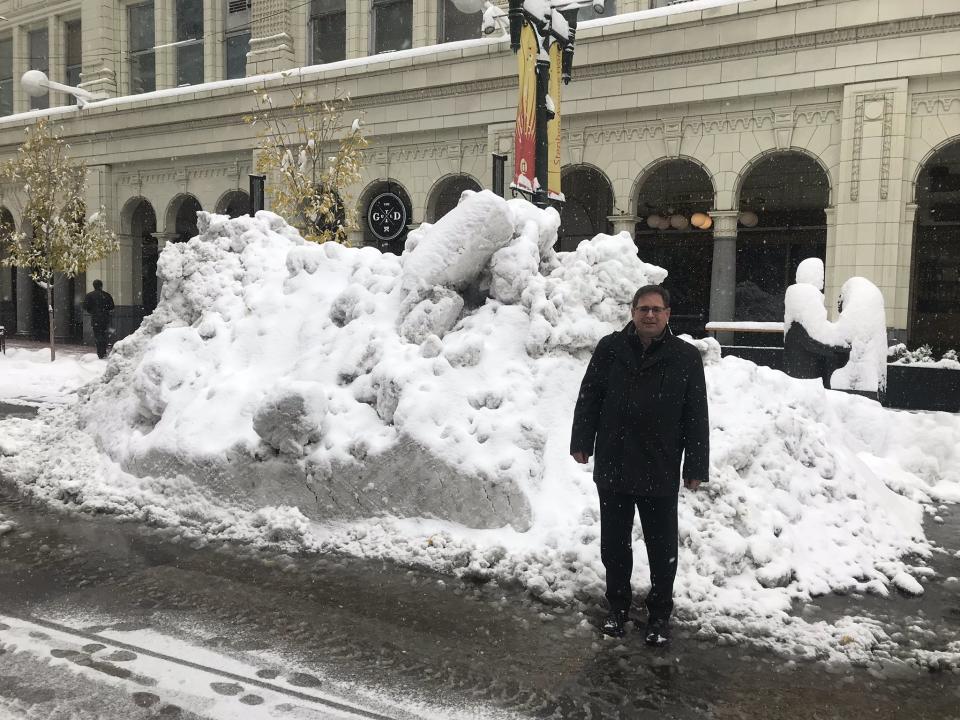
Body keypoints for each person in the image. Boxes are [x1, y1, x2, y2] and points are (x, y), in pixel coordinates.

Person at [570, 284, 709, 646]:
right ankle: (617, 607)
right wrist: (581, 441)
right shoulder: (610, 349)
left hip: (659, 465)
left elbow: (696, 415)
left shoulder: (685, 356)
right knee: (614, 545)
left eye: (656, 309)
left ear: (668, 315)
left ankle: (659, 614)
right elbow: (589, 397)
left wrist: (695, 464)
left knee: (662, 547)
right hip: (614, 463)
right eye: (643, 308)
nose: (650, 315)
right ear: (632, 312)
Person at [783, 258, 849, 389]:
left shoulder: (795, 293)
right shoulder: (807, 294)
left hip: (797, 360)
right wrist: (837, 348)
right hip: (805, 368)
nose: (822, 281)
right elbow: (813, 336)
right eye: (820, 276)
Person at [84, 279, 115, 359]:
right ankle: (103, 351)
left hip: (95, 318)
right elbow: (112, 306)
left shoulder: (89, 295)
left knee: (97, 335)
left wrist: (92, 311)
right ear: (101, 286)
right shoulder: (107, 295)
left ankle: (100, 352)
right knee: (104, 334)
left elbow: (85, 307)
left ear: (93, 286)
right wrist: (105, 310)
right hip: (105, 318)